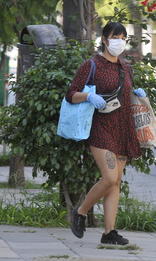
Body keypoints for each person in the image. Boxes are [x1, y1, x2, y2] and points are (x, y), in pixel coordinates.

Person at [64, 22, 146, 245]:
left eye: (123, 37)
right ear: (104, 39)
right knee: (109, 177)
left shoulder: (125, 68)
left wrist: (136, 94)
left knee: (115, 181)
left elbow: (125, 92)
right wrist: (89, 96)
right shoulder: (91, 65)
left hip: (123, 127)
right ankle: (80, 212)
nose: (119, 41)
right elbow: (70, 94)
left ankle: (109, 232)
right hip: (100, 127)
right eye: (115, 37)